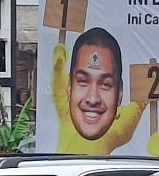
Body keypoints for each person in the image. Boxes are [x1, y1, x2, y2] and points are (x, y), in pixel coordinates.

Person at [50, 29, 146, 157]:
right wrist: (59, 62)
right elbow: (58, 87)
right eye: (83, 81)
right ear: (69, 87)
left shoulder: (115, 128)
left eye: (105, 84)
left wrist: (141, 102)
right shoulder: (66, 110)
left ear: (120, 93)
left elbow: (128, 123)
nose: (93, 99)